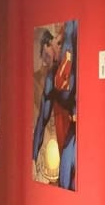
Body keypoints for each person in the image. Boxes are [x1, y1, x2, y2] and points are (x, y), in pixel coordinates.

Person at [32, 21, 77, 190]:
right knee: (64, 180)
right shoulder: (51, 79)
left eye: (46, 55)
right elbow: (41, 120)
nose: (45, 62)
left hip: (85, 128)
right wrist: (33, 157)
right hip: (72, 130)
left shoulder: (70, 39)